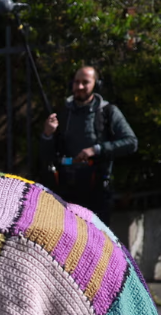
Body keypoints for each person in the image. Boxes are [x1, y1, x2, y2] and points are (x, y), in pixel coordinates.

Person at [39, 66, 138, 225]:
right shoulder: (63, 113)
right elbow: (47, 156)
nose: (79, 87)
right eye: (76, 82)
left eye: (85, 82)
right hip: (67, 193)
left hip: (98, 192)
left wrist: (96, 150)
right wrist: (47, 135)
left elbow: (131, 143)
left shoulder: (107, 112)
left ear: (96, 85)